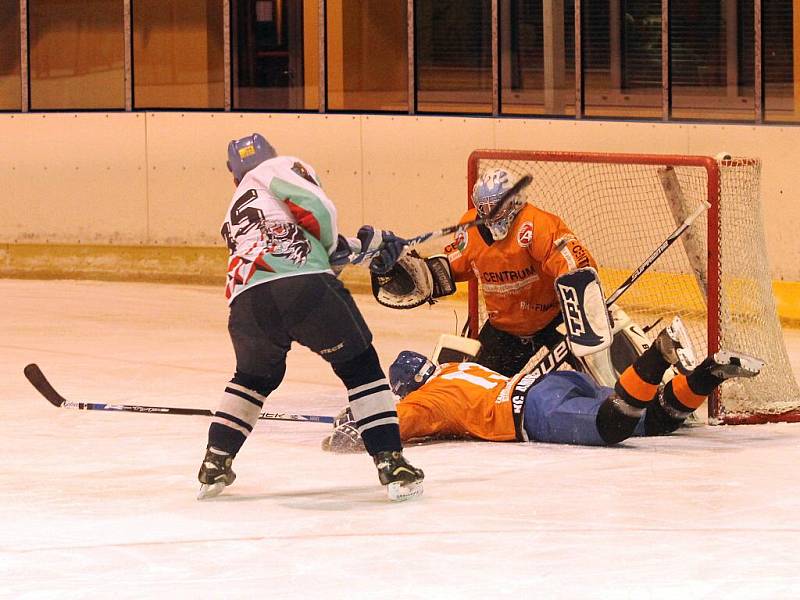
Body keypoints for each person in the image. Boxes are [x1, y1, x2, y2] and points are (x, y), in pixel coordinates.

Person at [197, 132, 424, 501]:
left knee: (252, 378)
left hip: (246, 304)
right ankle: (391, 461)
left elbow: (290, 245)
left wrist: (367, 245)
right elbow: (316, 212)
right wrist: (349, 246)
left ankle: (215, 460)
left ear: (231, 173)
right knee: (360, 366)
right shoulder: (276, 167)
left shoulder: (236, 207)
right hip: (300, 289)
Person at [322, 316, 764, 450]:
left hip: (532, 412)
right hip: (552, 381)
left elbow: (385, 429)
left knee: (613, 425)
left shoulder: (429, 399)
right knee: (656, 419)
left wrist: (350, 425)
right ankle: (710, 371)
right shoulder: (459, 369)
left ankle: (658, 353)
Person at [369, 167, 604, 377]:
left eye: (497, 206)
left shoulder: (538, 224)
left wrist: (583, 307)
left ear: (515, 201)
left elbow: (576, 265)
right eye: (485, 207)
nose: (490, 214)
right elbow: (453, 268)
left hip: (555, 319)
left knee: (604, 371)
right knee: (475, 391)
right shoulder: (469, 229)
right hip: (505, 329)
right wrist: (421, 275)